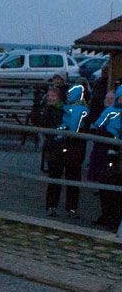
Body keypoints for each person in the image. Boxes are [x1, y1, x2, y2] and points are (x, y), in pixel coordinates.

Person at [48, 84, 89, 219]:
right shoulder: (63, 109)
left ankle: (69, 207)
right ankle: (54, 206)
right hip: (62, 147)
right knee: (58, 176)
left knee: (71, 177)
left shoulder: (78, 111)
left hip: (73, 148)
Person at [89, 86, 122, 230]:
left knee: (114, 187)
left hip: (115, 152)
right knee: (104, 184)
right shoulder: (109, 112)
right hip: (103, 151)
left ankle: (114, 219)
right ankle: (106, 215)